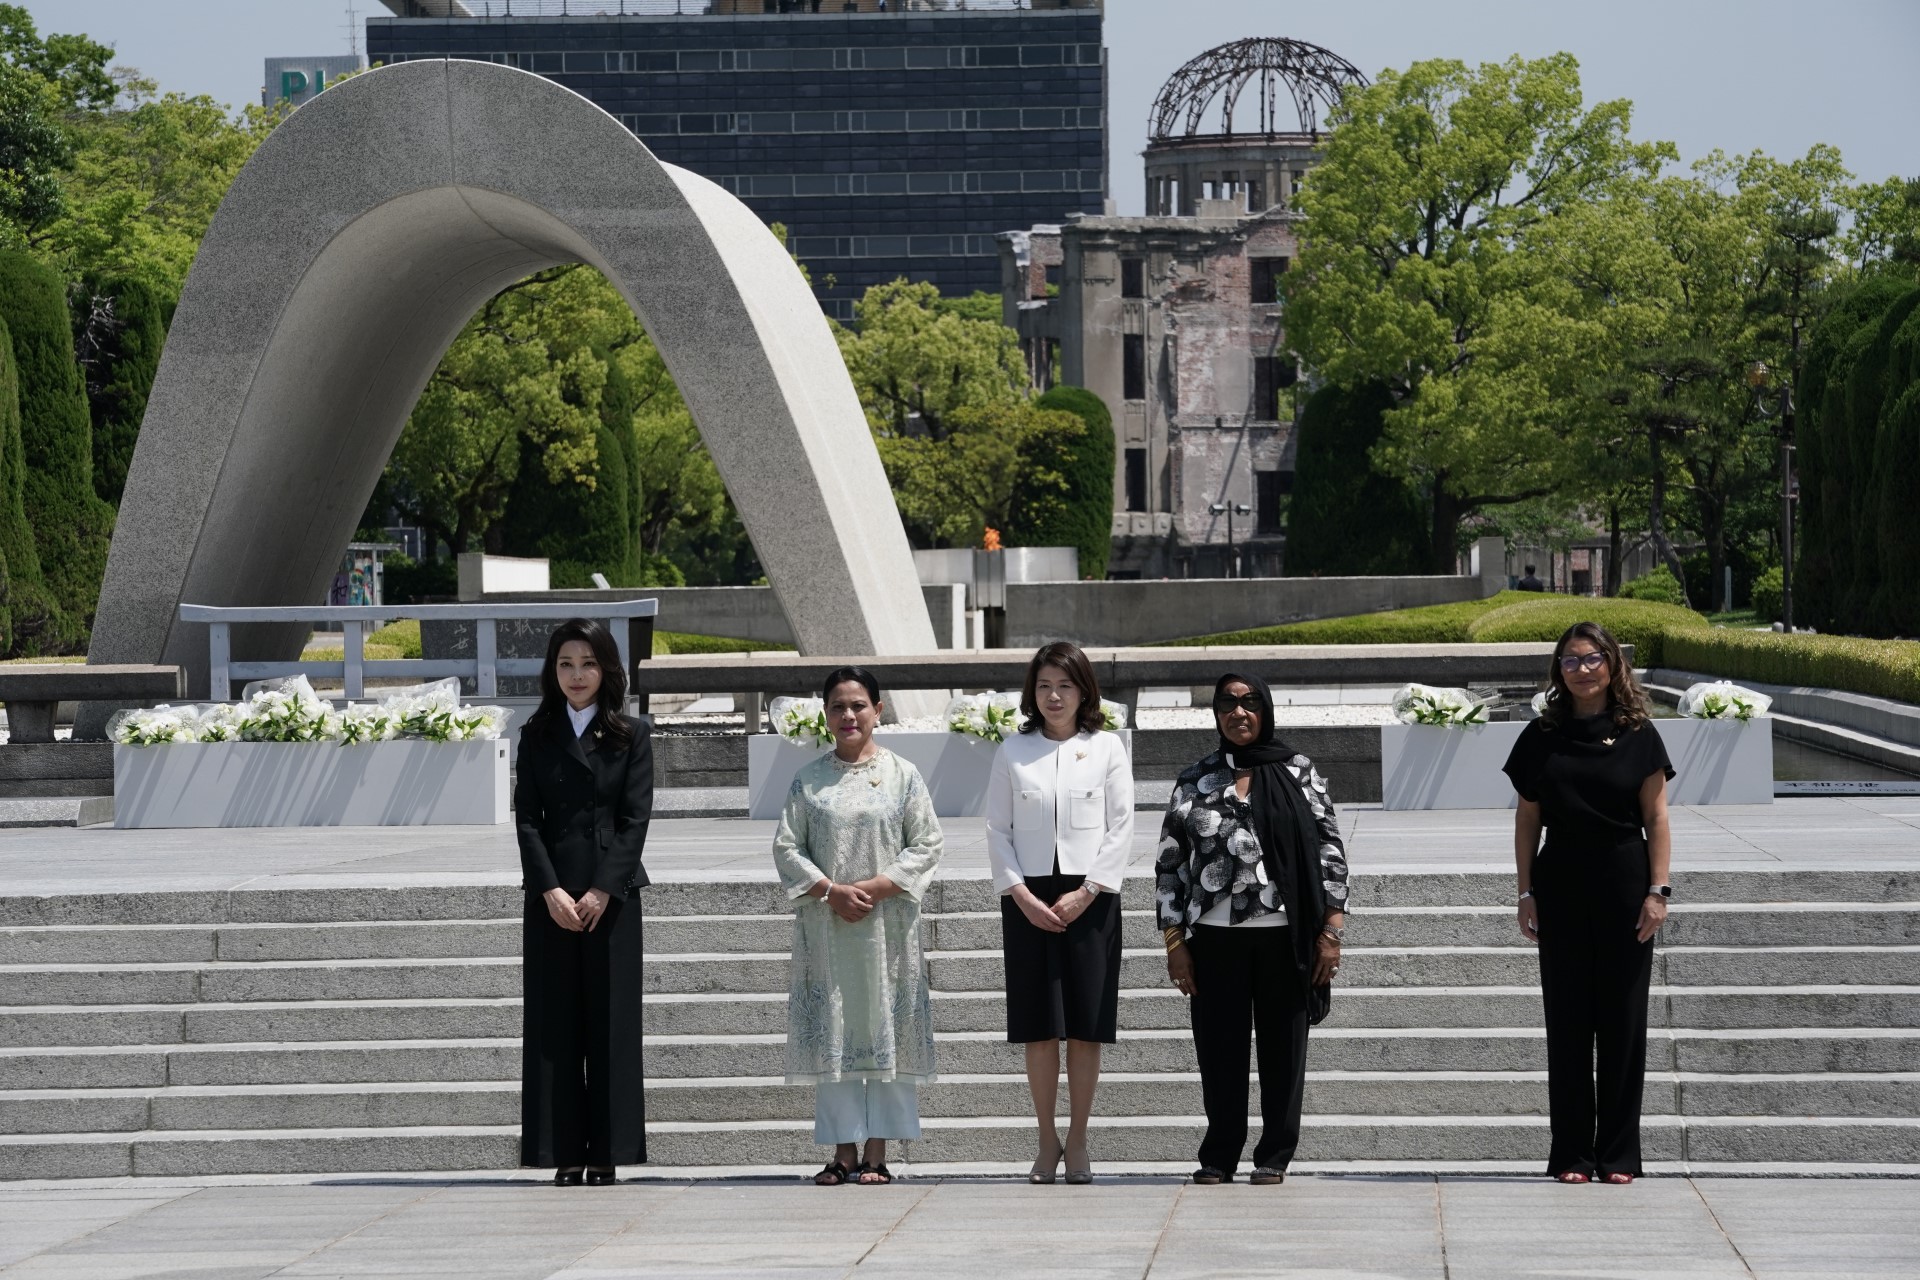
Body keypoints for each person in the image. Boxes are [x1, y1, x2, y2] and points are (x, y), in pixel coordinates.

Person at [1155, 672, 1348, 1186]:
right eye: (1227, 704)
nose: (1239, 713)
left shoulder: (1298, 771)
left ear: (1265, 709)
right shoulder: (1195, 776)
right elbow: (1170, 864)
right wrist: (1175, 941)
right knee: (1219, 1051)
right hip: (1215, 939)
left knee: (1284, 1049)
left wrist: (1331, 930)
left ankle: (1274, 1154)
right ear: (1216, 713)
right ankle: (1219, 1154)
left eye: (1250, 702)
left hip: (1285, 935)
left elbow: (1330, 850)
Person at [1504, 621, 1673, 1185]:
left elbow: (1657, 817)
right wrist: (1525, 891)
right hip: (1562, 883)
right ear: (1558, 670)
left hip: (1626, 881)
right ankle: (1573, 1155)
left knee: (1624, 1023)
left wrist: (1658, 891)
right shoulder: (1540, 737)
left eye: (1591, 658)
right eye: (1570, 660)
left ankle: (1620, 1155)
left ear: (1612, 664)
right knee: (1569, 1025)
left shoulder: (1639, 733)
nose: (1581, 669)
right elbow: (1529, 820)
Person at [772, 667, 943, 1186]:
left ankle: (877, 1152)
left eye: (858, 705)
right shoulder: (808, 780)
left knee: (881, 1025)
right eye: (838, 707)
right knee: (836, 1031)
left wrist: (876, 887)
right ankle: (842, 1150)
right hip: (827, 929)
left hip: (886, 928)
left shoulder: (903, 775)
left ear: (878, 710)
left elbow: (928, 843)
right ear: (825, 714)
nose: (848, 715)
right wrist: (831, 891)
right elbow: (786, 847)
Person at [985, 641, 1133, 1185]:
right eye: (1045, 685)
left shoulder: (1107, 748)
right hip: (1029, 898)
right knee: (1040, 1026)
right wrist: (1021, 895)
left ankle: (1078, 1140)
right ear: (1032, 691)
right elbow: (996, 829)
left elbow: (1121, 827)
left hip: (1090, 897)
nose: (1054, 696)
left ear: (1084, 691)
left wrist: (1088, 891)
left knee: (1086, 1026)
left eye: (1065, 686)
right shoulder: (1012, 750)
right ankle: (1046, 1138)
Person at [515, 618, 654, 1186]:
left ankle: (608, 1153)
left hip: (612, 897)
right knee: (555, 1024)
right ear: (553, 670)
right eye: (566, 664)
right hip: (550, 897)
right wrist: (548, 889)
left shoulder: (631, 732)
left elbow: (635, 819)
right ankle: (561, 1153)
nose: (577, 675)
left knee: (612, 1025)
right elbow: (527, 819)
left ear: (607, 670)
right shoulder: (535, 733)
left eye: (589, 664)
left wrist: (602, 888)